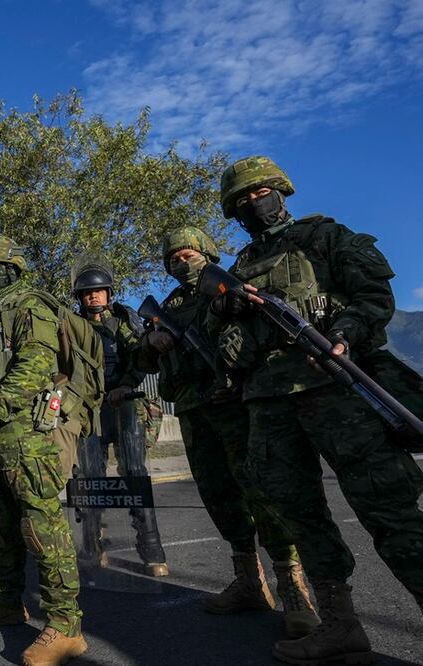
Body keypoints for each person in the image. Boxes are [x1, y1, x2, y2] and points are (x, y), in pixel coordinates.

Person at [211, 155, 423, 665]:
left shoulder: (326, 238)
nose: (253, 204)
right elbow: (223, 333)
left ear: (280, 192)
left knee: (390, 512)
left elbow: (374, 295)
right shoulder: (240, 267)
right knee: (298, 515)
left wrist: (346, 332)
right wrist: (230, 312)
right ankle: (340, 625)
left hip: (336, 391)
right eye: (241, 201)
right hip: (269, 402)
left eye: (259, 193)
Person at [136, 226, 317, 637]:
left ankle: (293, 589)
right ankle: (250, 582)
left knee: (260, 493)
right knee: (218, 495)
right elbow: (143, 360)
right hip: (193, 410)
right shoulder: (169, 304)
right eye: (174, 259)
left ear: (206, 253)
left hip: (233, 404)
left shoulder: (229, 287)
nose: (182, 263)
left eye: (189, 255)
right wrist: (153, 339)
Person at [0, 235, 86, 666]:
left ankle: (66, 625)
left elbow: (35, 364)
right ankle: (7, 602)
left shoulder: (30, 304)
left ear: (13, 269)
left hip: (23, 424)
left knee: (40, 523)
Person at [71, 254, 168, 577]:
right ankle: (92, 542)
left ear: (109, 294)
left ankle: (151, 547)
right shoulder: (72, 326)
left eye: (99, 291)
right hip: (90, 409)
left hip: (124, 404)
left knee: (135, 473)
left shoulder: (124, 320)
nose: (93, 296)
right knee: (90, 476)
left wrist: (127, 384)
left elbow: (140, 354)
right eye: (87, 293)